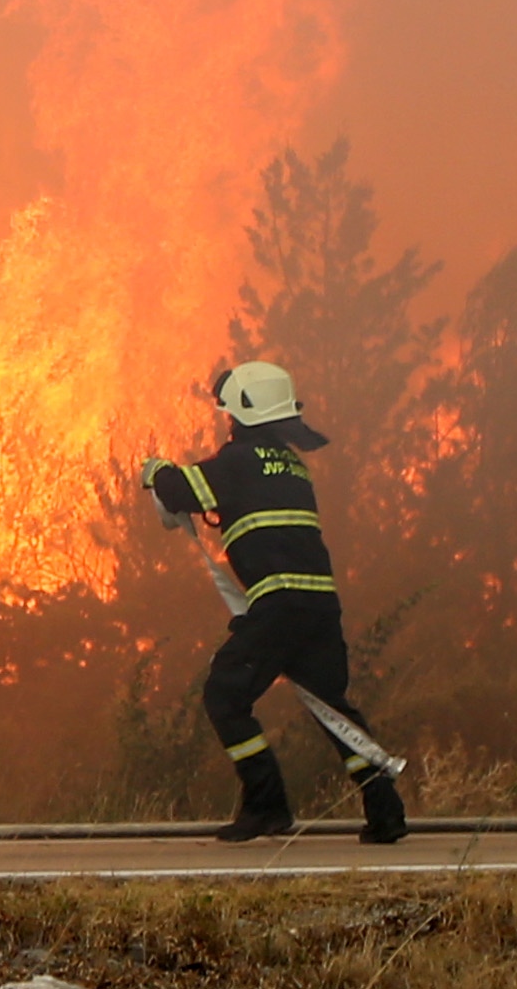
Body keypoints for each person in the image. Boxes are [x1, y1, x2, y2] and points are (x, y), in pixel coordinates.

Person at [142, 361, 409, 845]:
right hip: (320, 605)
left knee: (225, 695)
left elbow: (180, 489)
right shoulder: (292, 464)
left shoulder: (238, 460)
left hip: (277, 605)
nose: (226, 422)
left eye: (228, 414)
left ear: (242, 413)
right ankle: (385, 809)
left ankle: (266, 806)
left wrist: (155, 470)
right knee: (332, 705)